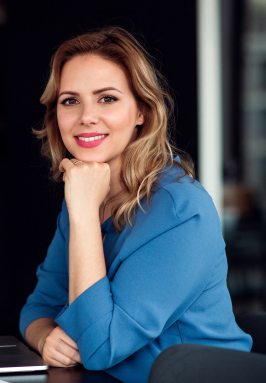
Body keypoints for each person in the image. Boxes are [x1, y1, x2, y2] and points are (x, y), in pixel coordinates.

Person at [19, 26, 252, 383]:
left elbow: (101, 347)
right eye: (70, 100)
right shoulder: (85, 196)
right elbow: (39, 305)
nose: (86, 116)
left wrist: (82, 212)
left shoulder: (179, 209)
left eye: (107, 98)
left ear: (142, 110)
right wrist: (44, 337)